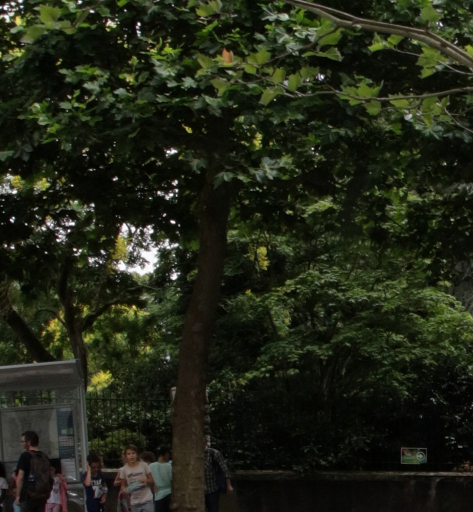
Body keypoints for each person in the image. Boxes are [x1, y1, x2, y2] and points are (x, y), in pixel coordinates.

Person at [16, 431, 53, 512]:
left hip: (28, 496)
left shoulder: (25, 456)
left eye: (22, 441)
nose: (21, 444)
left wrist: (18, 496)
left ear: (28, 442)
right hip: (42, 496)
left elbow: (20, 478)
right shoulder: (44, 456)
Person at [118, 445, 154, 512]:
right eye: (129, 454)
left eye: (133, 453)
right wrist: (125, 490)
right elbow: (123, 485)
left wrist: (146, 480)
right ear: (126, 456)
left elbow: (151, 480)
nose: (131, 456)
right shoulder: (124, 470)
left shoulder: (144, 465)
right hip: (134, 501)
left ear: (137, 454)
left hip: (147, 499)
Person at [204, 439, 233, 512]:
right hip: (200, 490)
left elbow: (224, 469)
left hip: (212, 489)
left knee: (213, 509)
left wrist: (228, 484)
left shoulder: (214, 453)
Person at [149, 446, 172, 512]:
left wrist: (153, 485)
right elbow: (171, 480)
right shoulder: (169, 466)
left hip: (158, 496)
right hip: (169, 494)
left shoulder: (151, 466)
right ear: (165, 454)